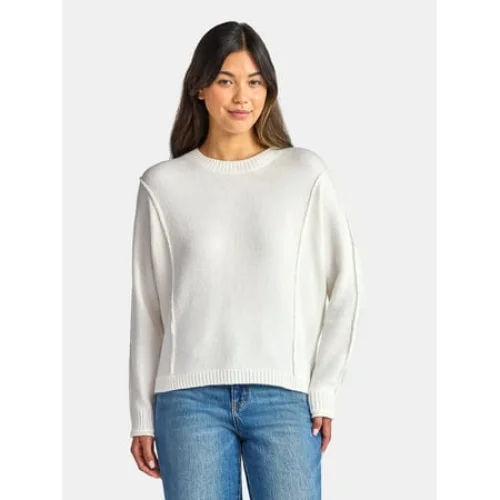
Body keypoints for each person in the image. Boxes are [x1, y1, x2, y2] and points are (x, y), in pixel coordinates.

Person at [128, 20, 362, 500]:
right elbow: (148, 310)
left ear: (269, 89)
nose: (242, 97)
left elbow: (344, 287)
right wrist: (141, 416)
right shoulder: (162, 185)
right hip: (187, 402)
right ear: (200, 88)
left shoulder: (304, 173)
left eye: (255, 82)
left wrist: (324, 388)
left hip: (286, 399)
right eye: (226, 80)